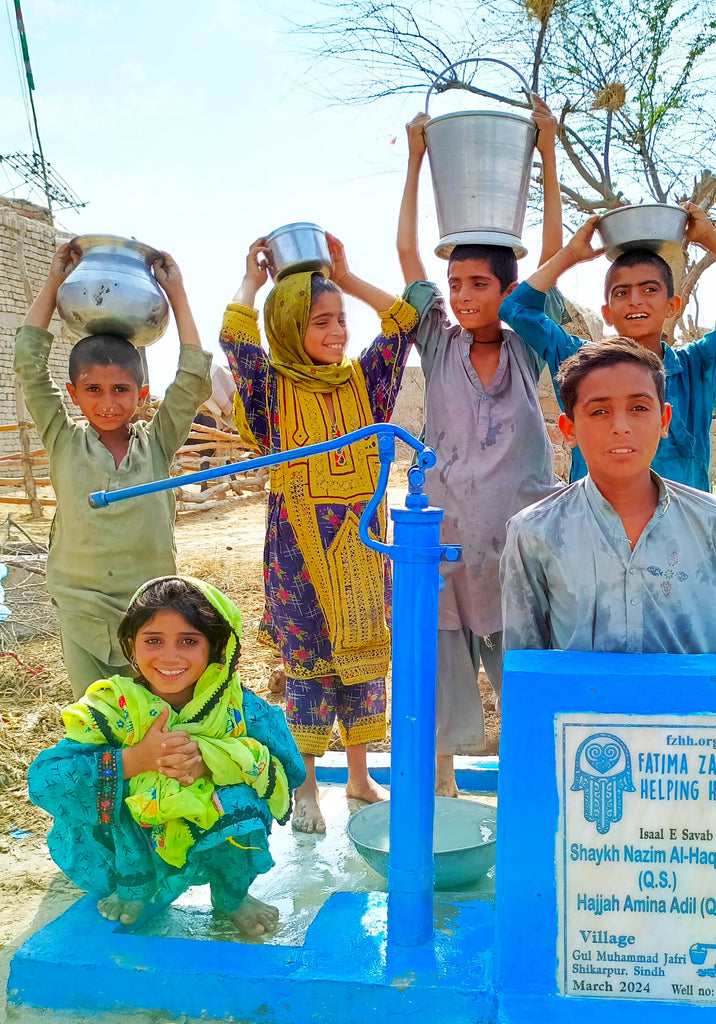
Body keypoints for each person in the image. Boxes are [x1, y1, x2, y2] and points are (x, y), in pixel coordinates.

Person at [221, 234, 416, 832]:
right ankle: (306, 787)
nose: (338, 332)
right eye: (320, 322)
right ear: (288, 327)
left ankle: (358, 777)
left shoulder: (365, 382)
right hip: (299, 550)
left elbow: (405, 320)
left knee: (365, 657)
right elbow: (237, 341)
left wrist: (348, 277)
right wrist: (252, 282)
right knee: (309, 665)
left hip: (363, 543)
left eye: (341, 320)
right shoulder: (269, 391)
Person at [398, 95, 564, 794]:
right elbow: (407, 254)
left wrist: (548, 152)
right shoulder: (438, 343)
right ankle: (442, 786)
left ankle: (535, 786)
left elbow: (552, 258)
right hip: (447, 540)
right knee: (441, 670)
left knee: (525, 670)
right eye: (456, 284)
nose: (464, 296)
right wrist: (415, 161)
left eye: (479, 284)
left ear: (509, 290)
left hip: (516, 544)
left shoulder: (529, 345)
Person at [28, 576, 304, 936]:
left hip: (212, 837)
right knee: (97, 792)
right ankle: (134, 886)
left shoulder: (239, 709)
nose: (170, 656)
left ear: (217, 647)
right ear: (131, 645)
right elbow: (45, 781)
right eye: (153, 640)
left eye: (189, 641)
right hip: (135, 840)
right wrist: (135, 760)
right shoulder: (112, 708)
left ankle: (232, 895)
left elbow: (289, 769)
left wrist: (214, 761)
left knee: (242, 800)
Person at [14, 243, 212, 698]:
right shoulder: (63, 439)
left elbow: (192, 379)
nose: (108, 403)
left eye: (121, 389)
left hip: (151, 615)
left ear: (141, 394)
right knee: (96, 721)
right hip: (80, 611)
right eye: (94, 390)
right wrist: (54, 281)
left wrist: (177, 293)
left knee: (156, 720)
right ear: (73, 394)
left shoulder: (157, 443)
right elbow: (28, 365)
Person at [499, 206, 716, 489]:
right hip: (594, 518)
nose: (635, 300)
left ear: (672, 306)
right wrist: (570, 254)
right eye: (622, 292)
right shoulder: (579, 364)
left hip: (680, 518)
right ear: (607, 312)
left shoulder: (699, 369)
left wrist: (709, 237)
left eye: (649, 289)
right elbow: (515, 307)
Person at [501, 337, 716, 655]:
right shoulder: (534, 532)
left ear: (664, 421)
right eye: (599, 411)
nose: (620, 427)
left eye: (639, 408)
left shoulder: (714, 523)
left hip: (698, 692)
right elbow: (523, 659)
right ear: (569, 429)